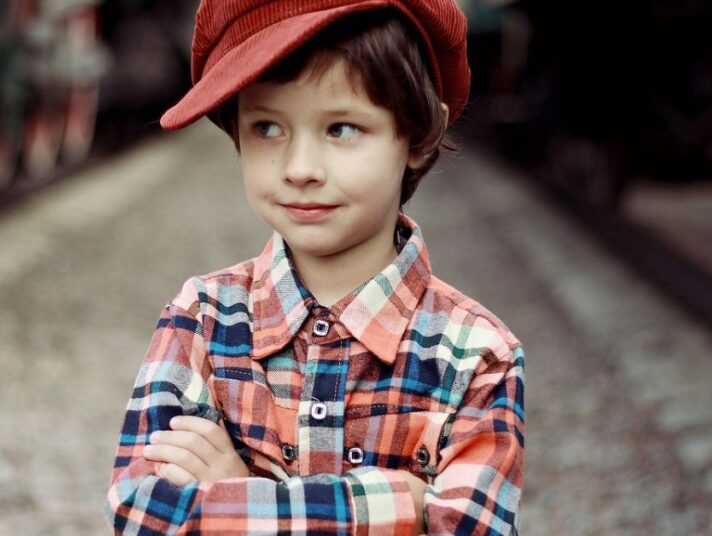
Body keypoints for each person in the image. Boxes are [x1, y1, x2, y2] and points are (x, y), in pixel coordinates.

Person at [104, 1, 525, 534]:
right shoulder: (204, 318)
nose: (300, 169)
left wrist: (237, 493)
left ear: (420, 136)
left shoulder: (477, 356)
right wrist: (405, 506)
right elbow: (140, 512)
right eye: (267, 128)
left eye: (343, 129)